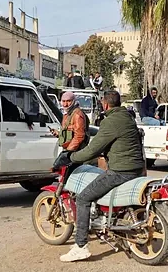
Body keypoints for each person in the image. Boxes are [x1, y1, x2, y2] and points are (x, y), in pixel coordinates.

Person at [58, 91, 145, 262]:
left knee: (83, 198)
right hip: (136, 168)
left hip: (120, 171)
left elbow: (93, 149)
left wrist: (71, 157)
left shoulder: (109, 122)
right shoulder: (128, 117)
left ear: (105, 104)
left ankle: (81, 246)